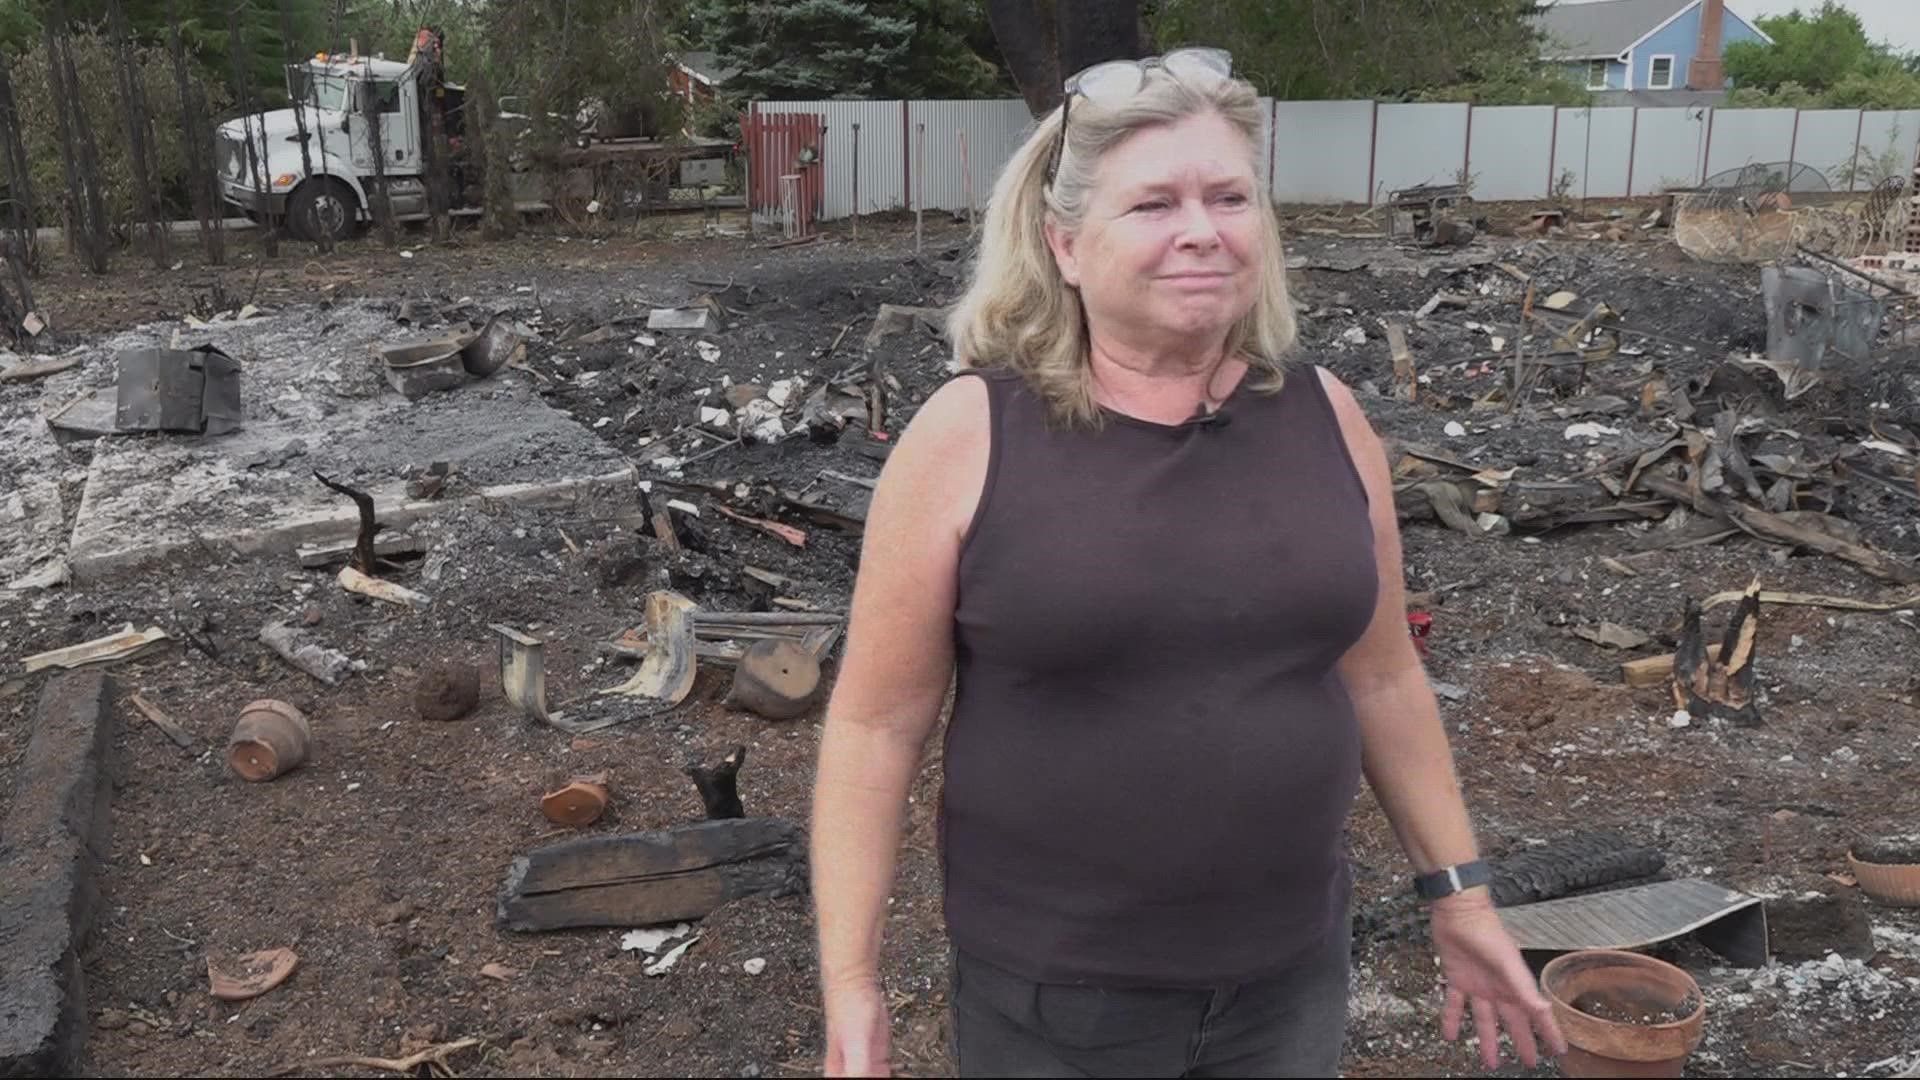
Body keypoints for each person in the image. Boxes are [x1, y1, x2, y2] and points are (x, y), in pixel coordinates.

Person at [809, 47, 1567, 1079]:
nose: (1202, 231)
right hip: (1056, 1003)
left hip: (1292, 980)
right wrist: (851, 984)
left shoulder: (1327, 416)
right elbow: (873, 723)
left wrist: (1461, 893)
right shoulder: (969, 435)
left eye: (1229, 196)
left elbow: (1382, 674)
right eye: (1154, 204)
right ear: (1065, 243)